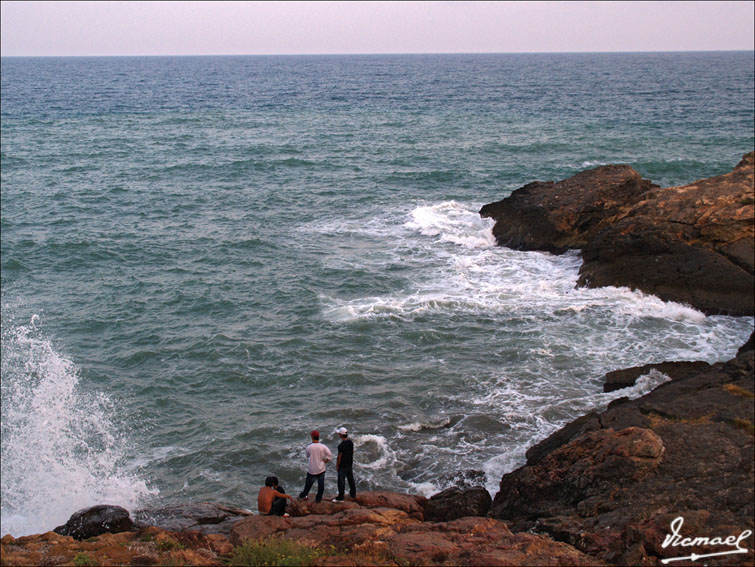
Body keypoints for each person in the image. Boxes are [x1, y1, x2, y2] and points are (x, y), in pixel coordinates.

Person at [298, 430, 332, 503]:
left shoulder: (309, 447)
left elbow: (307, 456)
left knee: (308, 485)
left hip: (312, 469)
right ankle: (318, 498)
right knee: (321, 485)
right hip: (321, 468)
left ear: (312, 437)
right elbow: (329, 455)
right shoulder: (323, 447)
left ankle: (303, 495)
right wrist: (326, 460)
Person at [333, 426, 356, 502]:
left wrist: (337, 465)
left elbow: (339, 457)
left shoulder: (341, 446)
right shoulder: (350, 442)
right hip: (349, 463)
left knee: (341, 480)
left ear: (340, 435)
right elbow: (352, 452)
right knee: (350, 478)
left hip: (343, 465)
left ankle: (341, 496)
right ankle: (353, 493)